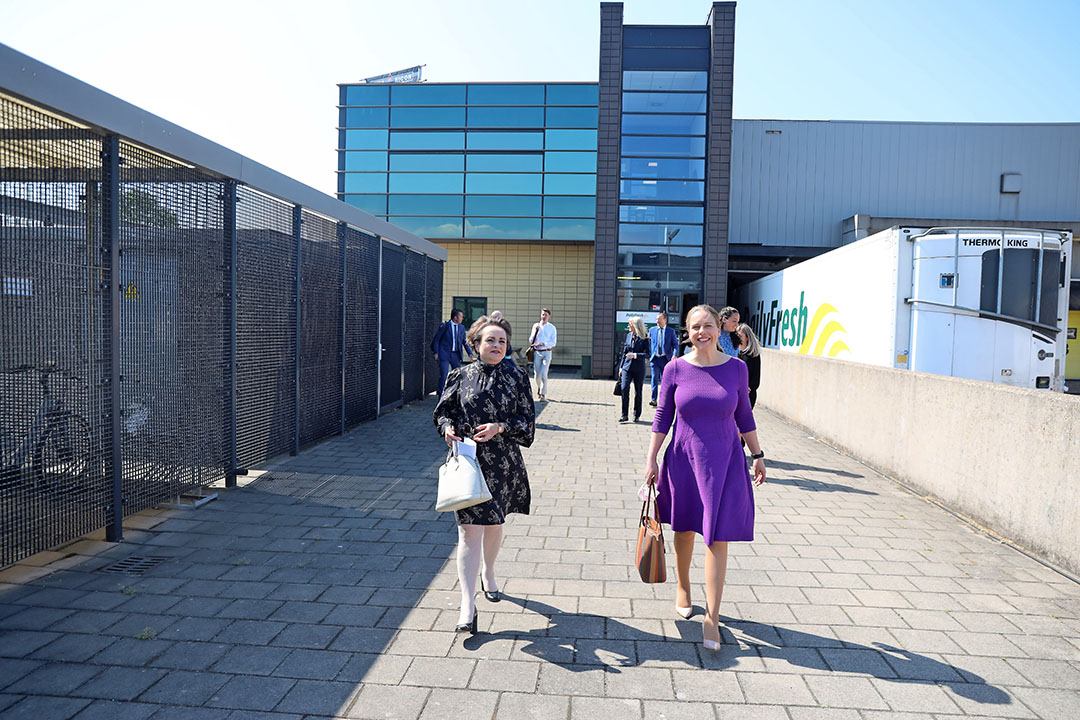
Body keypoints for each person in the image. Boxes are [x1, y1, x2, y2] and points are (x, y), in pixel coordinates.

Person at [644, 304, 766, 651]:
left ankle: (712, 617)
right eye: (695, 326)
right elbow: (663, 415)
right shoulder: (675, 368)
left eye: (708, 325)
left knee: (717, 534)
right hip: (683, 458)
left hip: (725, 460)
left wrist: (757, 455)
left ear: (719, 328)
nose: (702, 332)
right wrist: (651, 458)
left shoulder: (737, 369)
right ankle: (683, 586)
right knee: (683, 528)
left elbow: (744, 413)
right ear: (687, 331)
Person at [433, 316, 535, 634]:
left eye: (502, 341)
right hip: (469, 464)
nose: (497, 346)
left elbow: (527, 422)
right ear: (475, 344)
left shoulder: (517, 378)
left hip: (503, 464)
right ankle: (467, 604)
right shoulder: (459, 375)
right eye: (490, 340)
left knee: (495, 523)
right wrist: (447, 428)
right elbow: (443, 411)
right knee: (468, 531)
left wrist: (500, 427)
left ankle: (489, 573)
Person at [432, 308, 473, 395]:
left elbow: (464, 342)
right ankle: (440, 394)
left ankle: (455, 393)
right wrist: (436, 352)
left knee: (458, 375)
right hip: (444, 354)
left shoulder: (461, 328)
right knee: (444, 375)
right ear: (455, 317)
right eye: (461, 316)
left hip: (456, 355)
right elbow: (437, 340)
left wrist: (470, 353)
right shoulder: (445, 326)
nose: (462, 318)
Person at [618, 316, 651, 423]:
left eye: (630, 324)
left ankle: (636, 414)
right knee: (624, 388)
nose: (628, 326)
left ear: (635, 326)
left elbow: (648, 354)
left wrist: (635, 355)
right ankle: (624, 415)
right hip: (627, 368)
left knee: (638, 392)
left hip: (639, 369)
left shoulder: (645, 337)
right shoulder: (628, 335)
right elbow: (624, 353)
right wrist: (621, 367)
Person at [648, 312, 679, 407]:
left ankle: (663, 399)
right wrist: (649, 354)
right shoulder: (652, 330)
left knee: (664, 379)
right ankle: (653, 399)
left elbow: (675, 345)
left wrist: (674, 355)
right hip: (655, 359)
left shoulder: (670, 331)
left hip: (665, 359)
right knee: (654, 379)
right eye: (657, 319)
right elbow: (649, 343)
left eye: (659, 319)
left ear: (665, 320)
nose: (657, 321)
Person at [529, 308, 557, 401]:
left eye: (545, 315)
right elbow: (530, 340)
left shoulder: (552, 328)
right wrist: (536, 334)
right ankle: (539, 388)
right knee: (537, 375)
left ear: (549, 316)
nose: (543, 316)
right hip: (537, 352)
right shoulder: (536, 326)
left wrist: (543, 343)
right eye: (542, 314)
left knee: (544, 373)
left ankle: (543, 394)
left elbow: (553, 342)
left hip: (547, 352)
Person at [735, 323, 762, 408]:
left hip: (748, 395)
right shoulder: (735, 353)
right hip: (735, 393)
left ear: (747, 337)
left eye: (740, 336)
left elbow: (756, 376)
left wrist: (749, 387)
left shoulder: (754, 355)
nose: (738, 338)